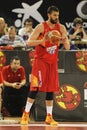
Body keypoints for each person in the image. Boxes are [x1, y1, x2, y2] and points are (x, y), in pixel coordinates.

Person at [21, 6, 70, 125]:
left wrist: (64, 39)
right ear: (48, 15)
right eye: (54, 15)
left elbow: (67, 47)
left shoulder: (61, 27)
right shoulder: (41, 27)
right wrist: (42, 40)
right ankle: (26, 114)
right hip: (40, 62)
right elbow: (28, 43)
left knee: (51, 89)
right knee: (35, 88)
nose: (56, 18)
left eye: (57, 15)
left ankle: (49, 116)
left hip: (52, 62)